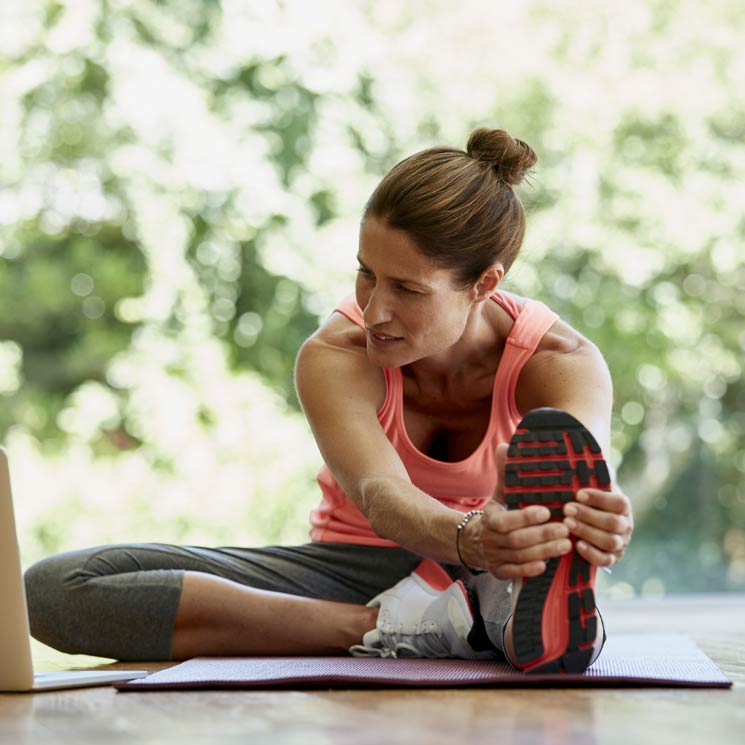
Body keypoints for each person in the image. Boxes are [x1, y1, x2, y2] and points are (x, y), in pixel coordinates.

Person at [24, 128, 633, 672]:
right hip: (347, 572)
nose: (374, 311)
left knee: (533, 527)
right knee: (51, 589)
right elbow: (381, 495)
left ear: (484, 284)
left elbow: (580, 483)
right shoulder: (336, 353)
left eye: (407, 289)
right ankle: (419, 627)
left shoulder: (562, 363)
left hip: (496, 565)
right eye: (366, 272)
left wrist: (593, 520)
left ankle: (493, 607)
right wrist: (468, 535)